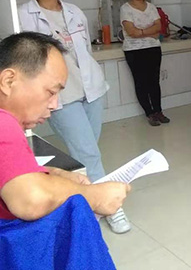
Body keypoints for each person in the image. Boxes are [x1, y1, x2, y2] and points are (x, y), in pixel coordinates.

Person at [18, 0, 131, 234]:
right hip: (60, 96)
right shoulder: (23, 16)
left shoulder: (74, 12)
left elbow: (85, 50)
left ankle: (83, 202)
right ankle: (109, 207)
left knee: (87, 152)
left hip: (91, 89)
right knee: (88, 152)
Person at [0, 32, 130, 266]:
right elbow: (30, 199)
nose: (54, 104)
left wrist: (53, 174)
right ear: (9, 81)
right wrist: (94, 196)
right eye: (51, 92)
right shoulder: (4, 124)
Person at [120, 0, 169, 127]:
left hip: (153, 48)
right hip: (134, 50)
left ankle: (158, 111)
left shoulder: (151, 7)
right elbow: (131, 32)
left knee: (154, 81)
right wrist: (149, 32)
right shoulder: (125, 9)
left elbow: (158, 27)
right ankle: (149, 113)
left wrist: (140, 31)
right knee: (141, 82)